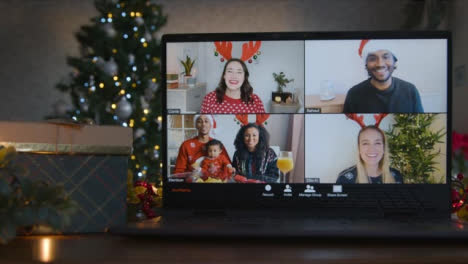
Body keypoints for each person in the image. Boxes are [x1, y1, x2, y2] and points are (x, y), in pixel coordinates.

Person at [343, 40, 424, 113]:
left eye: (386, 57)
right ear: (366, 64)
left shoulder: (410, 91)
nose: (380, 64)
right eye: (372, 59)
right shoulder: (353, 94)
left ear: (394, 62)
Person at [336, 125, 403, 184]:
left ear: (384, 148)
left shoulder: (396, 176)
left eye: (377, 143)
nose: (372, 149)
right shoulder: (345, 179)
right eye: (365, 143)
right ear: (359, 148)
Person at [200, 58, 265, 114]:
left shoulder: (256, 101)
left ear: (245, 77)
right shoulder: (209, 99)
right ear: (224, 76)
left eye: (239, 72)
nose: (234, 76)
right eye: (230, 71)